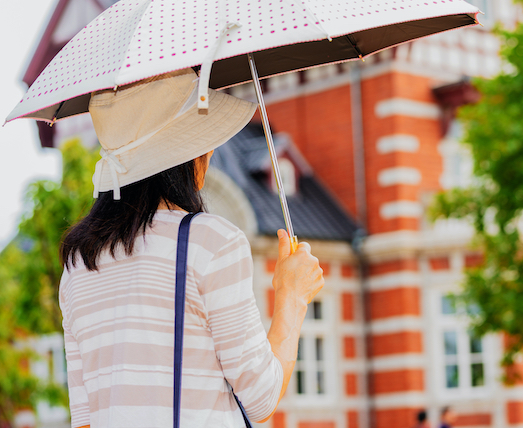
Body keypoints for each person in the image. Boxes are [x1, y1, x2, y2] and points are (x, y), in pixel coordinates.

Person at [58, 68, 324, 427]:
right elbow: (261, 398)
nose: (210, 152)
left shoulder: (78, 265)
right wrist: (292, 295)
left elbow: (86, 419)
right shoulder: (212, 242)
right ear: (185, 155)